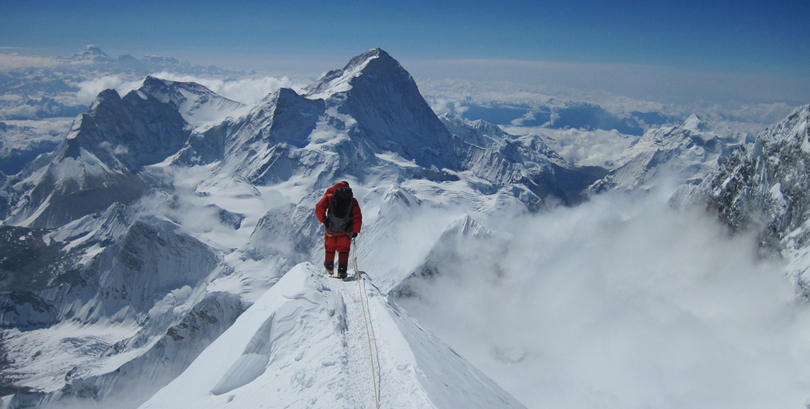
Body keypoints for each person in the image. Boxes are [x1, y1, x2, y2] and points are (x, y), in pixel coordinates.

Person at [315, 181, 362, 279]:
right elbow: (357, 216)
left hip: (331, 230)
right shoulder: (352, 201)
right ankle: (342, 272)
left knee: (329, 249)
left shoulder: (329, 198)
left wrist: (324, 220)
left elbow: (319, 208)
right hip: (345, 231)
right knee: (343, 251)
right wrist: (355, 231)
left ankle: (329, 268)